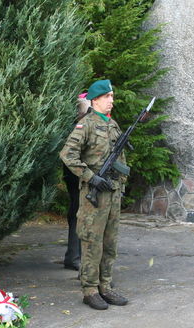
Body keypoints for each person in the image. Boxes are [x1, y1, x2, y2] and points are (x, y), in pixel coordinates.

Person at [59, 79, 129, 310]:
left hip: (113, 193)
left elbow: (120, 159)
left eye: (112, 96)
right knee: (92, 242)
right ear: (96, 99)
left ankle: (105, 286)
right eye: (108, 96)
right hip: (95, 194)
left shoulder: (113, 124)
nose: (112, 100)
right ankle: (90, 289)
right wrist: (91, 177)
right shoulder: (85, 124)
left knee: (110, 242)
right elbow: (68, 155)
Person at [63, 93, 93, 271]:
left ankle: (74, 256)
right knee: (77, 214)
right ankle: (74, 257)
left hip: (74, 176)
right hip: (77, 177)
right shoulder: (79, 128)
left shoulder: (77, 126)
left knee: (76, 212)